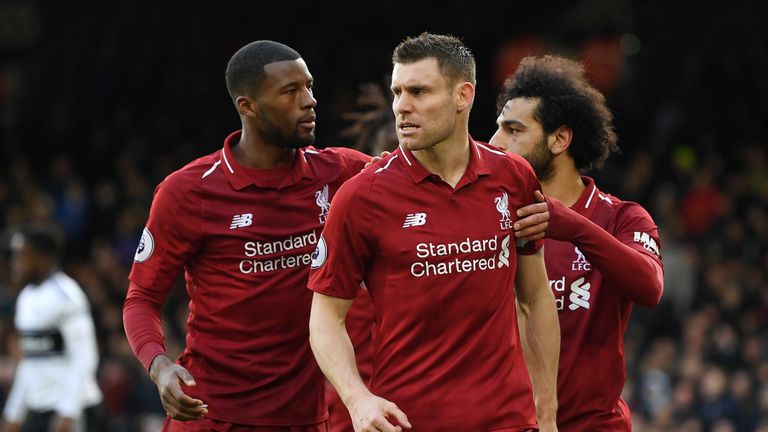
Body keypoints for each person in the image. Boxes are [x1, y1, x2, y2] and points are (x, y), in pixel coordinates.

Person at [308, 33, 560, 432]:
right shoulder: (362, 196)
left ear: (463, 96)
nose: (402, 107)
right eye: (397, 92)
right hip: (409, 421)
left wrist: (546, 413)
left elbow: (534, 296)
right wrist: (357, 398)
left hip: (508, 421)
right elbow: (324, 316)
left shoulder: (513, 177)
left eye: (419, 91)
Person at [122, 41, 371, 431]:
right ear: (247, 106)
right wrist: (159, 365)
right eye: (290, 92)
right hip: (210, 413)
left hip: (303, 417)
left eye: (309, 86)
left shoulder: (341, 173)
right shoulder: (188, 192)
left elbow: (416, 177)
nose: (310, 101)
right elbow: (141, 299)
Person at [490, 55, 665, 431]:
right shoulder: (492, 219)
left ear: (560, 139)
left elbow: (649, 287)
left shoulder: (622, 218)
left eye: (513, 130)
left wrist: (572, 226)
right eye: (497, 128)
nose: (495, 142)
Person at [1, 227, 104, 432]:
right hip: (40, 409)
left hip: (74, 409)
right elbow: (29, 361)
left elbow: (85, 356)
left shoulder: (66, 295)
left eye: (23, 254)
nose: (16, 262)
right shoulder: (26, 298)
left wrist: (68, 413)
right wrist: (14, 413)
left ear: (43, 258)